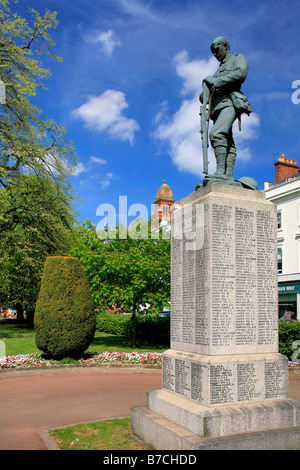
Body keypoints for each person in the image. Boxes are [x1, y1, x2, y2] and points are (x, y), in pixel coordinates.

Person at [200, 37, 252, 185]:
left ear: (225, 46)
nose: (215, 54)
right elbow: (207, 94)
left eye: (217, 50)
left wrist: (215, 82)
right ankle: (227, 176)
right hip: (217, 108)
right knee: (228, 141)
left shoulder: (237, 58)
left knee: (217, 134)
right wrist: (205, 90)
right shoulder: (217, 71)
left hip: (230, 102)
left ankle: (221, 173)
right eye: (213, 52)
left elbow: (241, 74)